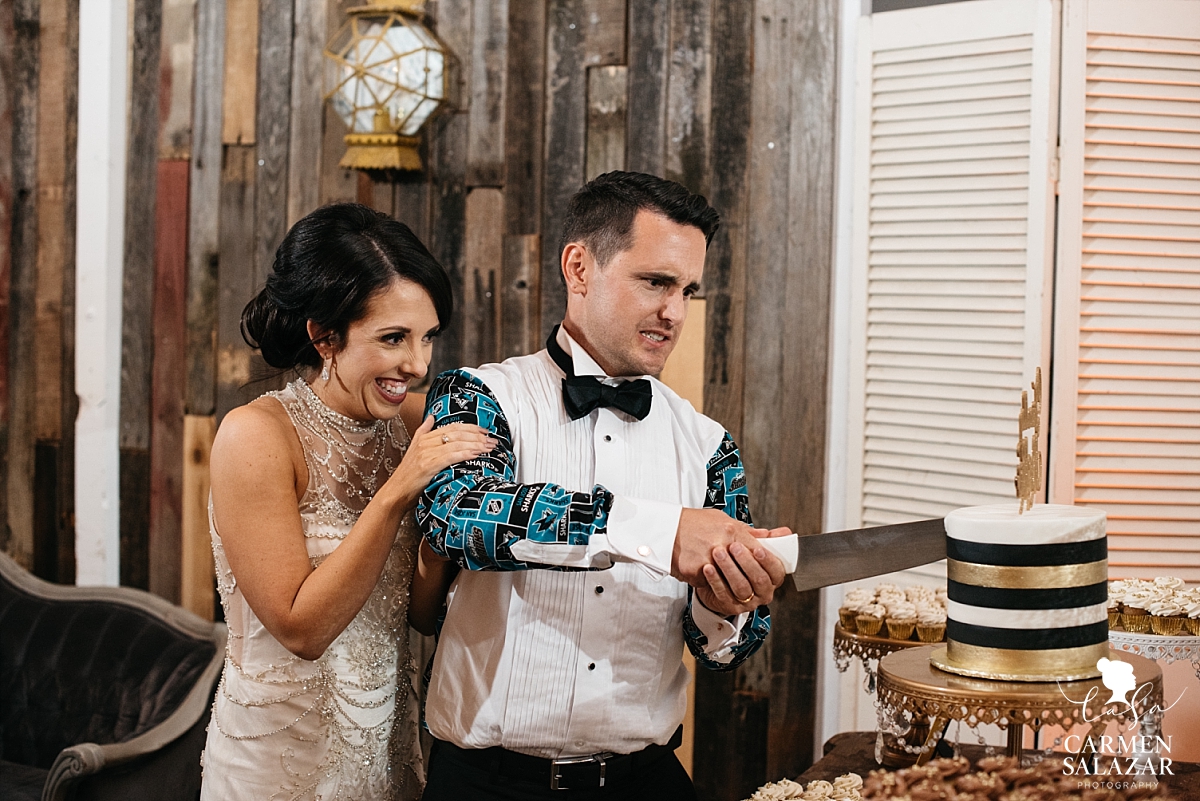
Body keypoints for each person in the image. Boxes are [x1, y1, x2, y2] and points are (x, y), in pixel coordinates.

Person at [414, 171, 791, 799]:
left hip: (644, 782)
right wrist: (661, 533)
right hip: (487, 783)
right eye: (655, 282)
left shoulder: (707, 445)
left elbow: (731, 648)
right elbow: (461, 519)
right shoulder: (481, 396)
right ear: (580, 266)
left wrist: (726, 603)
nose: (674, 313)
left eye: (687, 291)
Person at [199, 203, 494, 801]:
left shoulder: (415, 423)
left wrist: (441, 548)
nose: (417, 366)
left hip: (388, 754)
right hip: (278, 764)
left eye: (427, 336)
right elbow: (301, 629)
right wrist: (398, 493)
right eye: (393, 339)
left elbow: (417, 616)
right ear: (323, 334)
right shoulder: (256, 436)